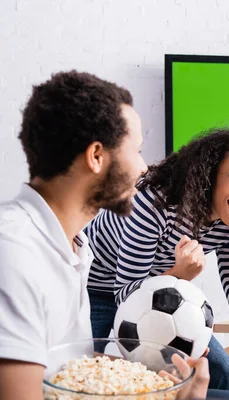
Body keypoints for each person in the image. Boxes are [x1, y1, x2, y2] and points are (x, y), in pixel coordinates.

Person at [0, 71, 215, 399]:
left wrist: (148, 380)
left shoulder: (71, 244)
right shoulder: (14, 252)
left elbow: (64, 367)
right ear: (96, 156)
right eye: (137, 150)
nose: (144, 169)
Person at [85, 121, 229, 394]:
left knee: (225, 376)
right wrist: (180, 275)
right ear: (211, 174)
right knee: (82, 373)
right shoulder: (153, 203)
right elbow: (124, 295)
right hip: (96, 288)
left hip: (158, 297)